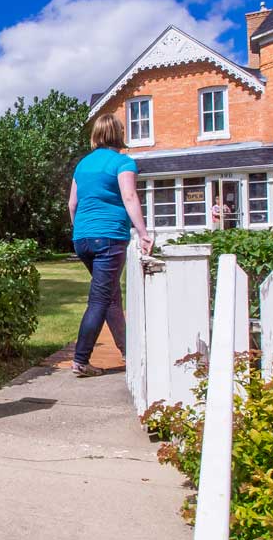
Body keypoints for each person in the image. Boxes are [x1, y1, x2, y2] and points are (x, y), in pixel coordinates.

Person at [67, 113, 154, 377]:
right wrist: (143, 232)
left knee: (111, 296)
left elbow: (72, 204)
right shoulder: (123, 162)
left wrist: (80, 229)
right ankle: (80, 362)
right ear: (119, 133)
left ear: (95, 135)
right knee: (100, 300)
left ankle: (128, 351)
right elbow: (128, 196)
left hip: (82, 239)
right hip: (109, 238)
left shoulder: (82, 165)